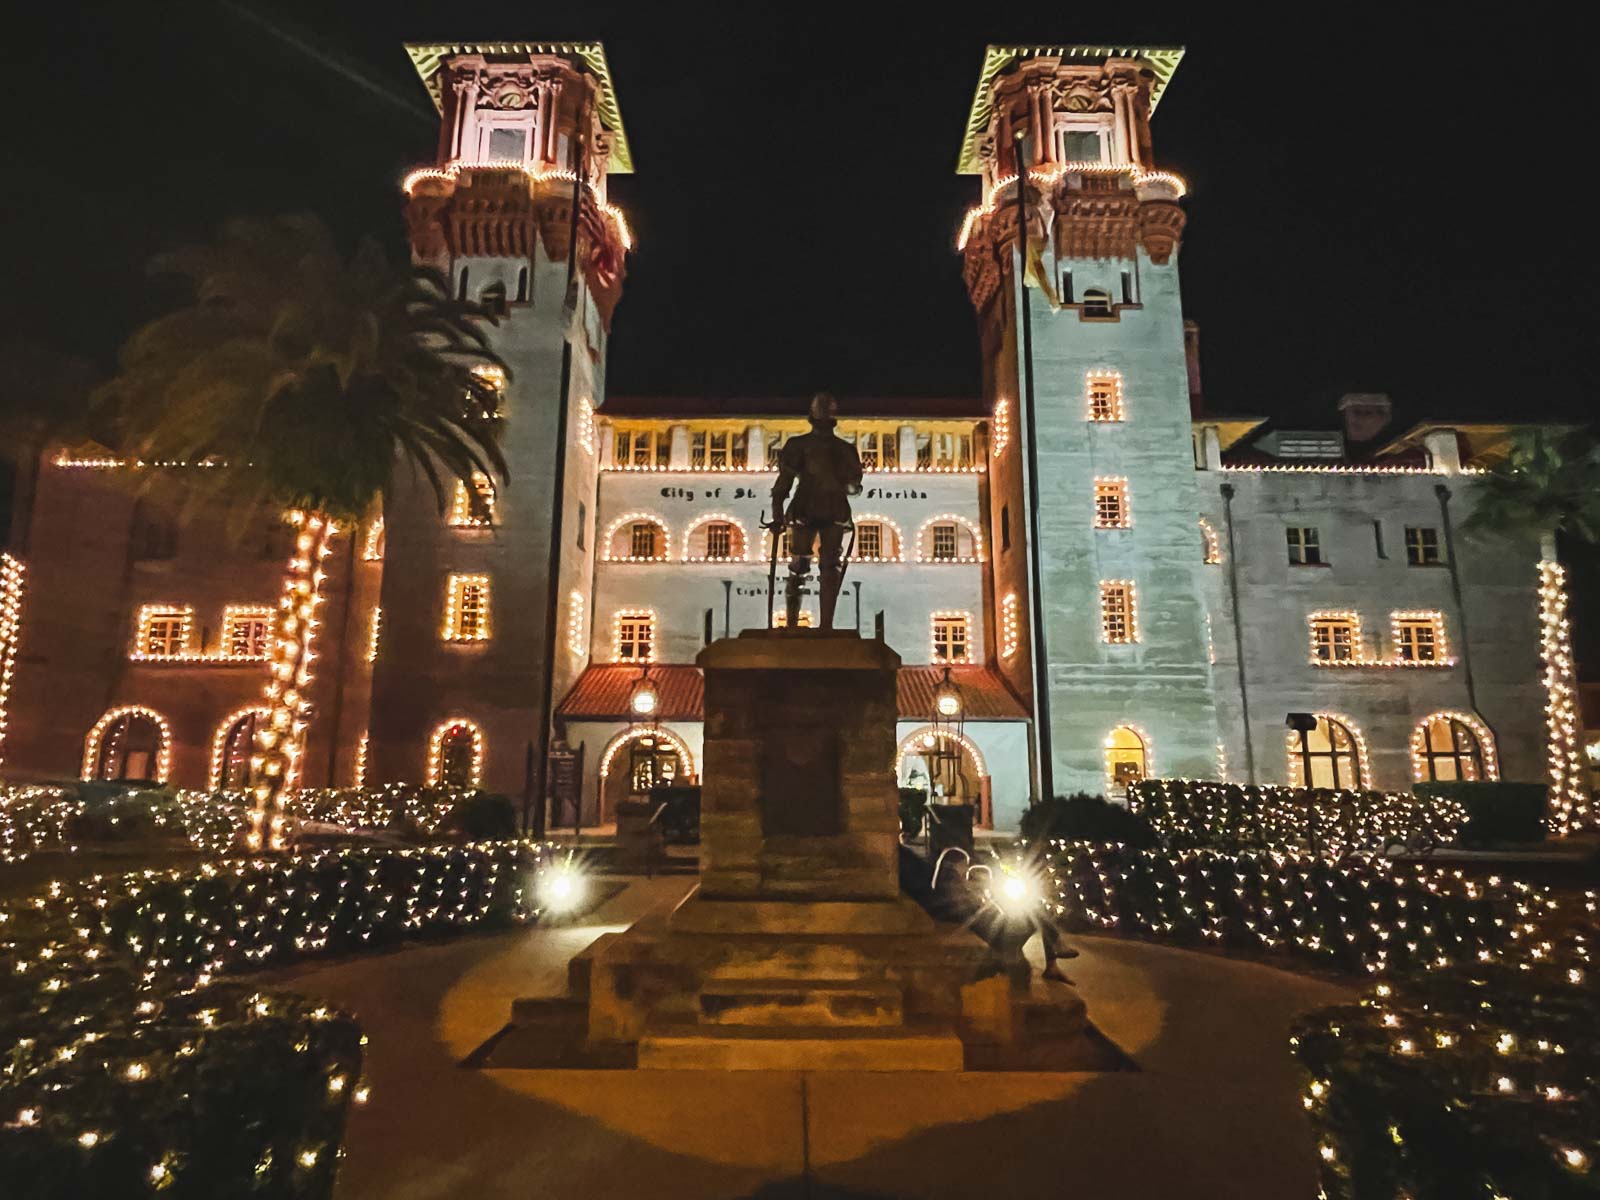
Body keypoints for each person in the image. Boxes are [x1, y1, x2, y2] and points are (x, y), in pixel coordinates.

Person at [770, 392, 863, 629]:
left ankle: (807, 625)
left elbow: (784, 483)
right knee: (820, 566)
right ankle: (819, 625)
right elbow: (853, 487)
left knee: (805, 566)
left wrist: (777, 512)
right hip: (820, 507)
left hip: (812, 506)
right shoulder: (840, 449)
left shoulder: (804, 445)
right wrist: (777, 511)